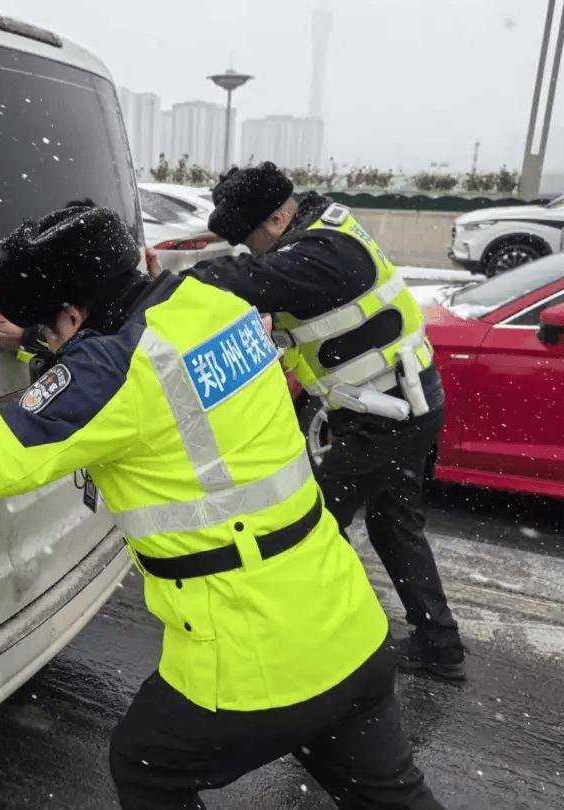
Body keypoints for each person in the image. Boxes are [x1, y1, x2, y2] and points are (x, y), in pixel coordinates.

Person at [0, 205, 442, 809]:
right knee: (388, 791)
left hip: (255, 657)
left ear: (74, 316)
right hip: (344, 622)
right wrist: (40, 342)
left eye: (50, 326)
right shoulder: (214, 304)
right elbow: (141, 368)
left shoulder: (109, 373)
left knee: (147, 766)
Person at [187, 162, 466, 682]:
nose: (253, 251)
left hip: (391, 414)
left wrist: (175, 283)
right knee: (393, 524)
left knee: (307, 530)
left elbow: (242, 281)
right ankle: (439, 646)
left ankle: (317, 649)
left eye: (251, 240)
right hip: (396, 404)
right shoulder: (323, 228)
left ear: (274, 219)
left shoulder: (320, 254)